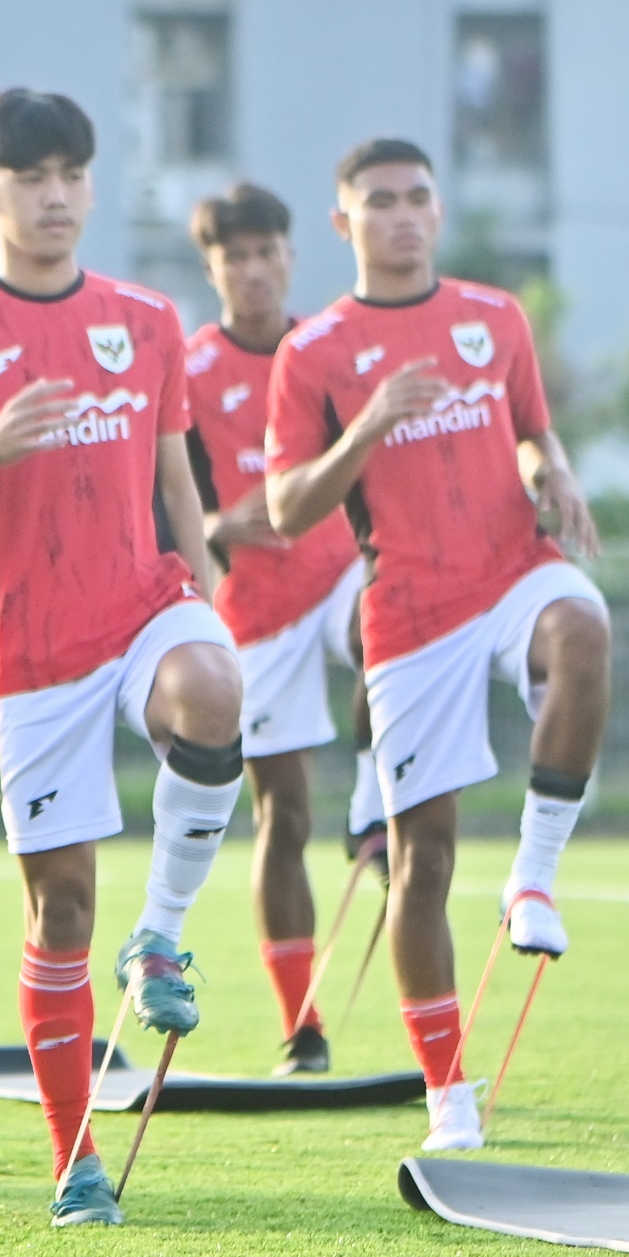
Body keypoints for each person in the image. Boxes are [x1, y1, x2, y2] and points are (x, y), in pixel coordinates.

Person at [0, 89, 245, 1230]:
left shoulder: (149, 318)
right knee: (59, 910)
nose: (54, 197)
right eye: (29, 178)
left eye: (70, 175)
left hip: (145, 602)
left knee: (211, 688)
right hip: (34, 645)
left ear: (91, 185)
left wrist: (206, 590)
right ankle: (73, 1157)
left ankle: (160, 936)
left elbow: (175, 479)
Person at [263, 138, 610, 1153]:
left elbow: (533, 431)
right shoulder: (316, 352)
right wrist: (368, 423)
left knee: (583, 628)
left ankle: (536, 876)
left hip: (510, 566)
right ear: (344, 223)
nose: (403, 216)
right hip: (410, 613)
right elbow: (287, 505)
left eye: (418, 198)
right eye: (379, 202)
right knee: (421, 865)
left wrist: (555, 470)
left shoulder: (494, 317)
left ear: (439, 209)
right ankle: (447, 1095)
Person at [179, 183, 388, 1076]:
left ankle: (375, 793)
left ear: (292, 256)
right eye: (236, 256)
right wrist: (225, 527)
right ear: (213, 265)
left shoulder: (327, 353)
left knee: (393, 620)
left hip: (338, 573)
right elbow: (169, 504)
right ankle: (301, 1023)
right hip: (255, 615)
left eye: (268, 252)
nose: (254, 270)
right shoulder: (185, 373)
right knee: (282, 817)